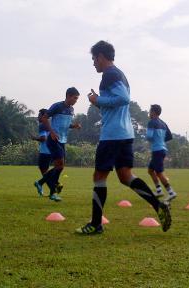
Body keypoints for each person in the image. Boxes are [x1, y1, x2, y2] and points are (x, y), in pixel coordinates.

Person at [76, 40, 172, 235]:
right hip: (125, 133)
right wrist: (98, 102)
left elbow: (123, 99)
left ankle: (96, 224)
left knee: (99, 177)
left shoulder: (109, 74)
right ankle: (158, 205)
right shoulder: (119, 74)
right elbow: (116, 104)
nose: (93, 63)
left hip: (112, 135)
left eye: (94, 59)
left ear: (101, 57)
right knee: (125, 176)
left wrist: (98, 99)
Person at [33, 88, 81, 202]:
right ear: (68, 96)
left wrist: (74, 126)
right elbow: (44, 118)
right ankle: (52, 193)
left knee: (59, 167)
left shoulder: (71, 109)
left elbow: (66, 124)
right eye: (75, 98)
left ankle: (40, 183)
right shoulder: (57, 106)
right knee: (60, 166)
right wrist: (52, 132)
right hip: (53, 139)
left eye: (77, 99)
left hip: (62, 141)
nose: (76, 101)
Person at [146, 104, 176, 202]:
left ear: (153, 112)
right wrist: (160, 140)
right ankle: (159, 190)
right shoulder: (163, 123)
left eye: (150, 111)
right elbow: (169, 136)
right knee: (150, 170)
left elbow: (149, 136)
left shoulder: (151, 122)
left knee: (159, 172)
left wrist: (148, 136)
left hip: (157, 150)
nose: (149, 113)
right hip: (162, 149)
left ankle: (171, 193)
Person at [32, 109, 63, 196]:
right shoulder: (52, 124)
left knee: (45, 173)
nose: (38, 117)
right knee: (53, 170)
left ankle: (53, 187)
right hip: (53, 151)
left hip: (45, 152)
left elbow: (44, 138)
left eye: (39, 115)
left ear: (44, 116)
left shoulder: (42, 125)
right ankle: (55, 185)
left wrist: (35, 138)